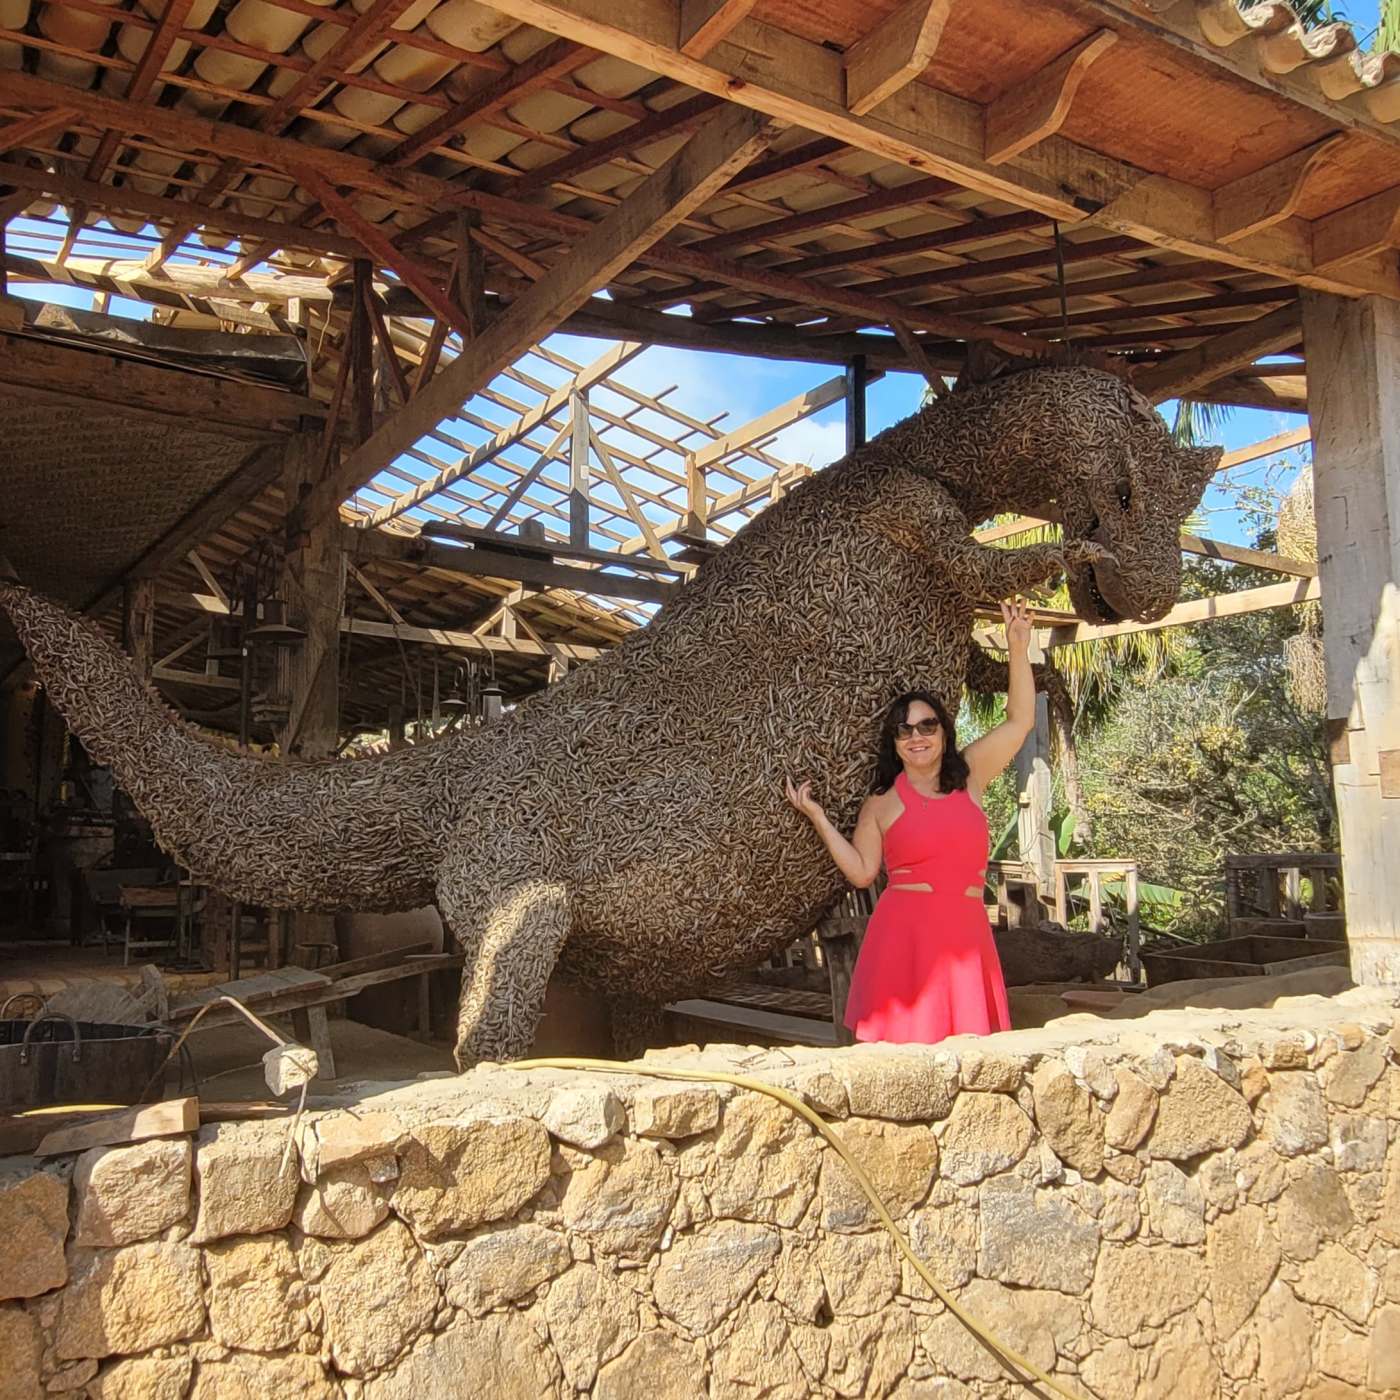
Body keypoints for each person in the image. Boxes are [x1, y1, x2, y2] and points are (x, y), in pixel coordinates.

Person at [785, 598, 1037, 1044]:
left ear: (944, 732)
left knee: (972, 1055)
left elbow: (1020, 721)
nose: (916, 736)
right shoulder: (881, 803)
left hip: (966, 933)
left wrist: (1018, 646)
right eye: (904, 730)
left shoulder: (971, 774)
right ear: (894, 742)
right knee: (903, 1056)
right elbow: (862, 873)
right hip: (904, 937)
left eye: (926, 726)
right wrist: (818, 817)